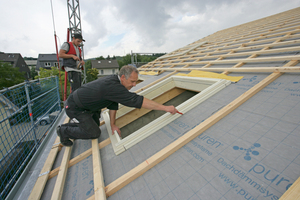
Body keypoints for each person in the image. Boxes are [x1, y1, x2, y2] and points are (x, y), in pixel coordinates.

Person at [56, 65, 179, 146]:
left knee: (93, 124)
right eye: (132, 81)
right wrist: (165, 108)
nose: (135, 84)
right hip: (75, 107)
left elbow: (113, 105)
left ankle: (72, 126)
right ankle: (63, 131)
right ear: (123, 77)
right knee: (94, 133)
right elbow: (138, 101)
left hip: (86, 105)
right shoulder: (114, 88)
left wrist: (113, 125)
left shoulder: (115, 81)